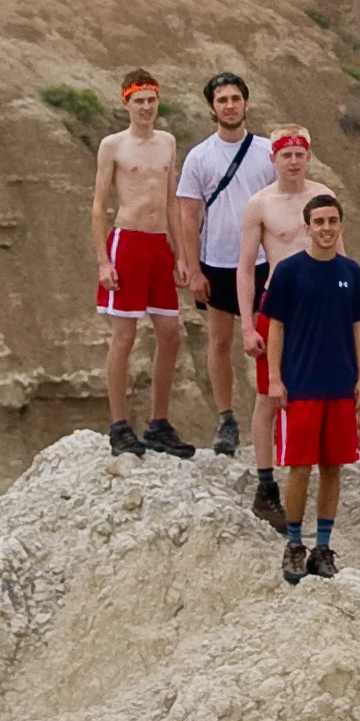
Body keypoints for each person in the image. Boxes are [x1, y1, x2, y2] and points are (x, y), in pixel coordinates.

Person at [240, 128, 360, 494]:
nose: (292, 161)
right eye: (285, 154)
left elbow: (342, 256)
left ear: (308, 157)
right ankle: (265, 484)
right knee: (268, 397)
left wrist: (351, 305)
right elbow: (244, 267)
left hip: (328, 309)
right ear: (273, 158)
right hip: (281, 312)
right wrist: (246, 325)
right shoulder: (260, 204)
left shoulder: (323, 197)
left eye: (299, 154)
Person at [259, 190, 360, 583]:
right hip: (301, 386)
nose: (326, 228)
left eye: (332, 221)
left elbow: (358, 327)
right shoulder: (290, 272)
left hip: (340, 385)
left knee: (332, 467)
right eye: (319, 222)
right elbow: (275, 326)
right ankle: (294, 545)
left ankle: (322, 548)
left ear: (340, 225)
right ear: (307, 228)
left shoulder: (351, 272)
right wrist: (274, 378)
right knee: (299, 468)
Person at [88, 70, 191, 457]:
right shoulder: (113, 145)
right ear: (126, 104)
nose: (146, 108)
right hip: (127, 242)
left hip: (158, 244)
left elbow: (171, 202)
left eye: (151, 100)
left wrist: (181, 254)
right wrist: (103, 260)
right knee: (125, 336)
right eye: (139, 101)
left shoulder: (167, 142)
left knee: (170, 334)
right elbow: (99, 205)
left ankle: (159, 423)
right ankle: (118, 425)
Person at [170, 73, 271, 455]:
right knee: (221, 339)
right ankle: (226, 417)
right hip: (218, 260)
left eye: (235, 98)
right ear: (212, 108)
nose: (229, 105)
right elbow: (187, 216)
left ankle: (276, 408)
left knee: (272, 335)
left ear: (246, 103)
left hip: (263, 260)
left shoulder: (266, 152)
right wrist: (192, 268)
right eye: (222, 99)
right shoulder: (200, 156)